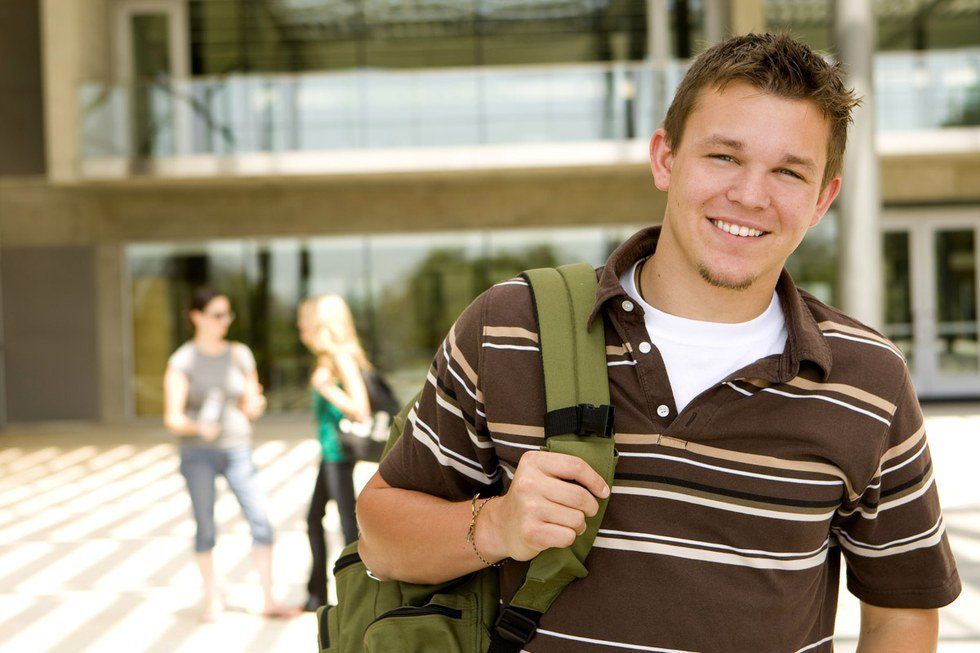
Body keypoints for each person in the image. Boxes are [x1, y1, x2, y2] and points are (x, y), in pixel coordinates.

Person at [354, 33, 960, 652]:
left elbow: (902, 610)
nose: (750, 195)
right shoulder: (512, 326)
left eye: (788, 171)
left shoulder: (868, 379)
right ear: (665, 159)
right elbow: (379, 534)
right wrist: (496, 527)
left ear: (822, 199)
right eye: (723, 157)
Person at [163, 287, 296, 621]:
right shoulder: (183, 360)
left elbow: (251, 402)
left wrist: (256, 404)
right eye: (217, 315)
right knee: (205, 526)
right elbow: (172, 418)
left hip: (238, 449)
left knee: (260, 521)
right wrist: (197, 428)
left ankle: (268, 598)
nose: (225, 321)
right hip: (198, 455)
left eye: (228, 314)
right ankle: (211, 599)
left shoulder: (239, 354)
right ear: (197, 317)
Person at [297, 294, 371, 612]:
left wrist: (327, 388)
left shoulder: (341, 357)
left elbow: (361, 409)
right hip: (330, 453)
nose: (301, 329)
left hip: (338, 453)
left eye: (305, 322)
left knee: (345, 525)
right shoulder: (329, 359)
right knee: (316, 517)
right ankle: (318, 593)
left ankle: (356, 593)